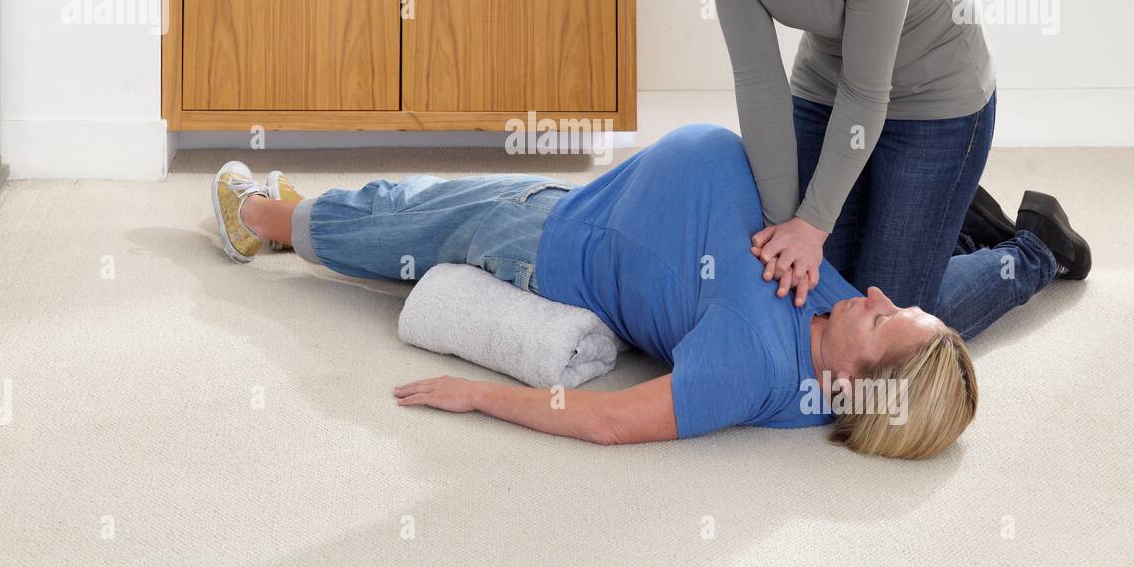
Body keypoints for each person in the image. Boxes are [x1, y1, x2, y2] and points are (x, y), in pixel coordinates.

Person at [207, 123, 1056, 460]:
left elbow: (610, 421)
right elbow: (916, 350)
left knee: (411, 215)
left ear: (853, 381)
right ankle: (1031, 255)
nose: (869, 291)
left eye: (881, 315)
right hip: (597, 215)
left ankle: (260, 218)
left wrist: (475, 395)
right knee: (919, 278)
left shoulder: (750, 364)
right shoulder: (839, 346)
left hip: (553, 239)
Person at [653, 0, 1090, 339]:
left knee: (891, 324)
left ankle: (1036, 248)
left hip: (936, 102)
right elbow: (758, 83)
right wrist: (786, 233)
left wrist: (813, 224)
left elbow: (866, 96)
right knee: (819, 297)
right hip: (826, 90)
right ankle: (946, 216)